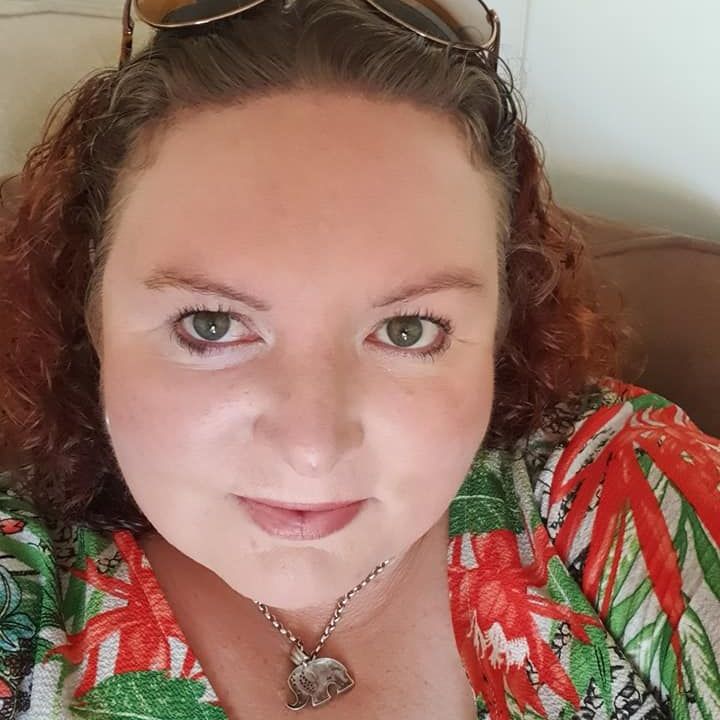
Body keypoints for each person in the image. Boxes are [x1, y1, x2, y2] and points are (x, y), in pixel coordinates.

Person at [0, 0, 717, 718]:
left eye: (408, 330)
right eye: (210, 325)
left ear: (503, 324)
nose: (312, 449)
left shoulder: (625, 488)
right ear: (91, 313)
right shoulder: (22, 598)